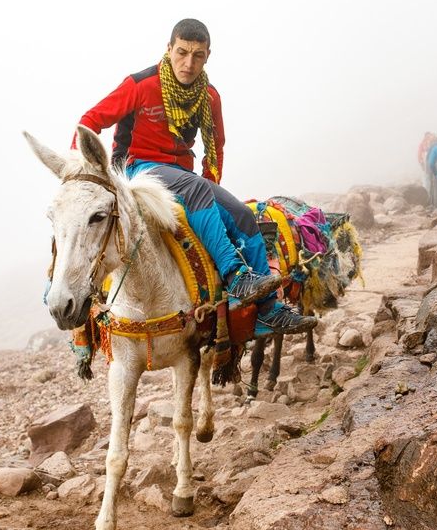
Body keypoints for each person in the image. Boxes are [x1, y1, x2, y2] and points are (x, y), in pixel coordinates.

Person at [72, 18, 315, 336]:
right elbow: (90, 120)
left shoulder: (209, 96)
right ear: (169, 49)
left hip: (182, 175)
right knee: (198, 190)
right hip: (137, 171)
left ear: (207, 56)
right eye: (182, 52)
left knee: (241, 215)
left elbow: (215, 147)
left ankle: (268, 310)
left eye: (197, 55)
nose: (188, 63)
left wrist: (211, 180)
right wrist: (83, 169)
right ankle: (236, 275)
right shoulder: (140, 85)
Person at [417, 132, 437, 207]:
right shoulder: (435, 143)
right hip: (432, 167)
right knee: (431, 183)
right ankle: (432, 200)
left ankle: (429, 200)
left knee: (427, 183)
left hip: (427, 168)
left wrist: (422, 165)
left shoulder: (422, 145)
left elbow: (419, 157)